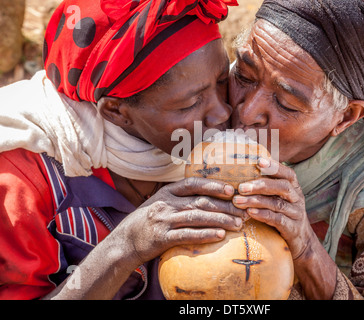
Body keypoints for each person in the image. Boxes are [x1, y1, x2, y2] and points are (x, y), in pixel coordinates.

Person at [0, 0, 246, 300]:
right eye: (190, 104)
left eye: (222, 80)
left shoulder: (230, 138)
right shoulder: (22, 180)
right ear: (116, 112)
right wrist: (125, 247)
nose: (223, 113)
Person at [228, 0, 364, 299]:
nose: (247, 111)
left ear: (346, 116)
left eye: (286, 103)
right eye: (244, 75)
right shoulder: (209, 96)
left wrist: (305, 247)